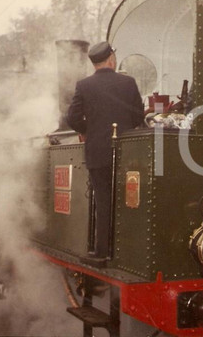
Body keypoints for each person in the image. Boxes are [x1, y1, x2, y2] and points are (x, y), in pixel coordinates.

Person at [67, 41, 144, 261]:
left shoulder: (84, 85)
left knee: (103, 200)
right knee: (130, 200)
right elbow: (138, 115)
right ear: (111, 58)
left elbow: (72, 118)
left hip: (98, 152)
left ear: (94, 64)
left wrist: (88, 131)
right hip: (128, 153)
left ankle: (102, 251)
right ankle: (129, 250)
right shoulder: (128, 82)